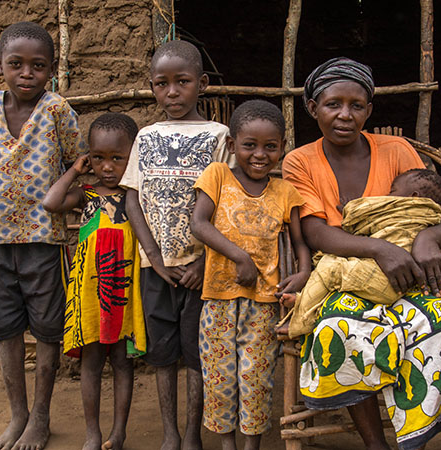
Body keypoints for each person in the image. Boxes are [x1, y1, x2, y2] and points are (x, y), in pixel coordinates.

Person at [282, 57, 441, 450]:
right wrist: (381, 249)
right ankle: (375, 443)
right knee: (340, 325)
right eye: (333, 104)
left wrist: (426, 240)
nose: (345, 115)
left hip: (410, 273)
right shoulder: (300, 161)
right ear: (313, 108)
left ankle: (414, 435)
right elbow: (316, 232)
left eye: (357, 105)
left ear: (370, 109)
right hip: (347, 273)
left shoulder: (397, 150)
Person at [0, 21, 86, 450]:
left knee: (48, 331)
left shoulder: (58, 111)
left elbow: (78, 169)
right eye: (15, 64)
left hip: (43, 240)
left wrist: (63, 203)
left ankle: (40, 418)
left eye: (38, 66)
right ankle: (17, 416)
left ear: (52, 69)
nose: (26, 74)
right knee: (6, 330)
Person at [120, 39, 234, 450]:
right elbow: (132, 199)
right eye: (161, 84)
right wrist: (153, 257)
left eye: (182, 82)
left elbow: (230, 203)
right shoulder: (146, 137)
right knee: (161, 356)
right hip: (157, 269)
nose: (171, 92)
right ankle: (170, 434)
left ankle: (192, 436)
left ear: (201, 84)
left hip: (202, 270)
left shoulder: (219, 136)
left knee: (198, 356)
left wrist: (205, 260)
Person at [190, 100, 310, 450]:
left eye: (270, 147)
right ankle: (228, 445)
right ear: (232, 145)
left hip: (263, 305)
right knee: (220, 377)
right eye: (249, 145)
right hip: (218, 301)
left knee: (255, 379)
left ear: (282, 149)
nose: (260, 155)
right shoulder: (217, 176)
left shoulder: (285, 192)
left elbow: (301, 242)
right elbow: (199, 223)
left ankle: (250, 446)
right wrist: (239, 256)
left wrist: (303, 273)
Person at [42, 112, 144, 450]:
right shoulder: (86, 194)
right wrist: (74, 170)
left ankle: (118, 433)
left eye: (118, 158)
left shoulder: (135, 196)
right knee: (92, 361)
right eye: (98, 158)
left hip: (124, 292)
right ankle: (92, 434)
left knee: (121, 362)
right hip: (88, 292)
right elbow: (51, 202)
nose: (107, 167)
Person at [280, 168, 441, 338]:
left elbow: (356, 215)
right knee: (343, 274)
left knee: (330, 267)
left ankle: (300, 322)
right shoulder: (430, 216)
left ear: (414, 197)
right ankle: (307, 301)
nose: (387, 196)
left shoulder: (392, 207)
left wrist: (350, 206)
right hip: (407, 282)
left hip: (383, 278)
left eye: (392, 191)